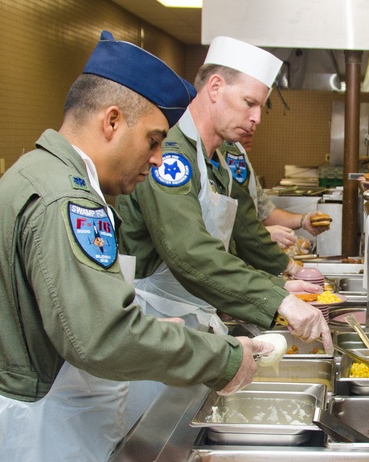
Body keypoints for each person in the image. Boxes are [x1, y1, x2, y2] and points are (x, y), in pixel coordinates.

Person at [0, 31, 269, 462]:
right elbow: (101, 334)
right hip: (36, 441)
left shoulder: (48, 176)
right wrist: (223, 358)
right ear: (112, 121)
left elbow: (76, 309)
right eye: (153, 140)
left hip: (51, 427)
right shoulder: (65, 199)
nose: (157, 160)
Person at [116, 36, 331, 349]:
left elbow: (246, 229)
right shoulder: (171, 154)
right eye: (249, 103)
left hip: (196, 311)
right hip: (155, 319)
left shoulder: (218, 158)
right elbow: (188, 250)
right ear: (215, 87)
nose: (257, 118)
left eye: (261, 107)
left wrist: (283, 279)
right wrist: (278, 299)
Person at [237, 124, 330, 251]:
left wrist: (304, 220)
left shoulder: (243, 165)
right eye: (249, 105)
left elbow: (266, 214)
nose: (252, 129)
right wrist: (262, 234)